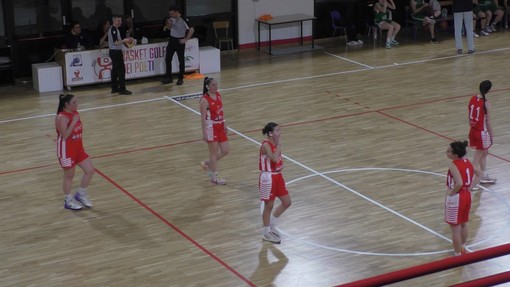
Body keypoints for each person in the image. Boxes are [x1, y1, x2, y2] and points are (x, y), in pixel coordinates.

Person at [55, 94, 95, 210]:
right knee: (69, 176)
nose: (77, 104)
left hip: (78, 149)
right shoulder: (61, 117)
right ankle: (68, 200)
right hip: (66, 151)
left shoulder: (75, 113)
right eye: (74, 103)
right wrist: (74, 121)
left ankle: (81, 194)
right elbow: (65, 135)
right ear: (66, 104)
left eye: (76, 102)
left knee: (90, 170)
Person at [445, 140, 481, 256]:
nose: (446, 152)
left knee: (455, 228)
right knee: (464, 224)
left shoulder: (453, 164)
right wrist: (470, 187)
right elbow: (479, 173)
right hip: (466, 196)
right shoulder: (467, 162)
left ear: (455, 155)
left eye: (449, 151)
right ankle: (463, 248)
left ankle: (457, 255)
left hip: (457, 197)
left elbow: (459, 183)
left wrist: (451, 193)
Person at [259, 122, 291, 244]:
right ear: (270, 133)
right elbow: (273, 158)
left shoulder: (275, 144)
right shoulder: (266, 144)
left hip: (277, 176)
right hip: (268, 177)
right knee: (269, 205)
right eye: (277, 130)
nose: (280, 133)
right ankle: (266, 232)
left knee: (287, 202)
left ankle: (272, 223)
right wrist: (278, 145)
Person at [199, 77, 230, 185]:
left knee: (226, 150)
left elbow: (221, 110)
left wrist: (224, 122)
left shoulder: (218, 95)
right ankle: (214, 176)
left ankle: (208, 163)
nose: (216, 87)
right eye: (213, 85)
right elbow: (202, 117)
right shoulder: (204, 100)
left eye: (216, 84)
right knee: (214, 152)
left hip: (220, 125)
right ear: (207, 86)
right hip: (211, 127)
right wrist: (204, 133)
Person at [468, 80, 497, 189]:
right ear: (489, 90)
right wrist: (491, 136)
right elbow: (488, 122)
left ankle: (483, 176)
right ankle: (471, 183)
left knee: (484, 153)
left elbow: (469, 116)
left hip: (473, 130)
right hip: (481, 133)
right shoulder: (486, 103)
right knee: (475, 160)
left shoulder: (472, 98)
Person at [162, 6, 195, 85]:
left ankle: (180, 78)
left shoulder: (183, 19)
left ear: (177, 12)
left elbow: (192, 29)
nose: (171, 16)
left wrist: (185, 39)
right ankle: (169, 77)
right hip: (172, 40)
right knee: (168, 59)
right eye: (170, 14)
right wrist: (168, 24)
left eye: (172, 14)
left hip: (180, 41)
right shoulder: (171, 19)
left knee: (181, 60)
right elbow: (169, 28)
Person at [108, 14, 133, 95]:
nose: (120, 22)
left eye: (121, 21)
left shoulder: (115, 29)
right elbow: (116, 43)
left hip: (114, 52)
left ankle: (114, 88)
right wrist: (125, 40)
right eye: (118, 21)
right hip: (115, 52)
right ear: (114, 21)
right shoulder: (113, 30)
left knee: (115, 70)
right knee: (121, 70)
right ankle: (122, 89)